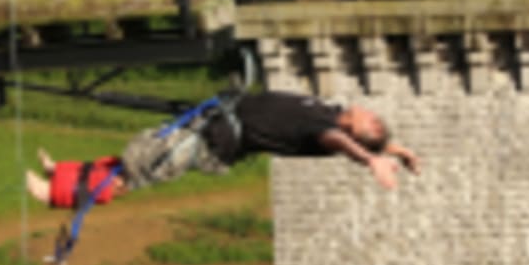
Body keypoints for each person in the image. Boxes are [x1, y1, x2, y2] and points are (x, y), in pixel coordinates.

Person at [25, 91, 422, 208]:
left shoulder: (324, 131)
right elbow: (371, 138)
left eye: (369, 120)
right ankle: (62, 172)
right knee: (138, 152)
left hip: (214, 142)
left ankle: (57, 195)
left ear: (357, 133)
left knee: (140, 171)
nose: (367, 112)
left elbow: (344, 144)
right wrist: (396, 149)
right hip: (211, 120)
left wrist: (372, 159)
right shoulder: (333, 112)